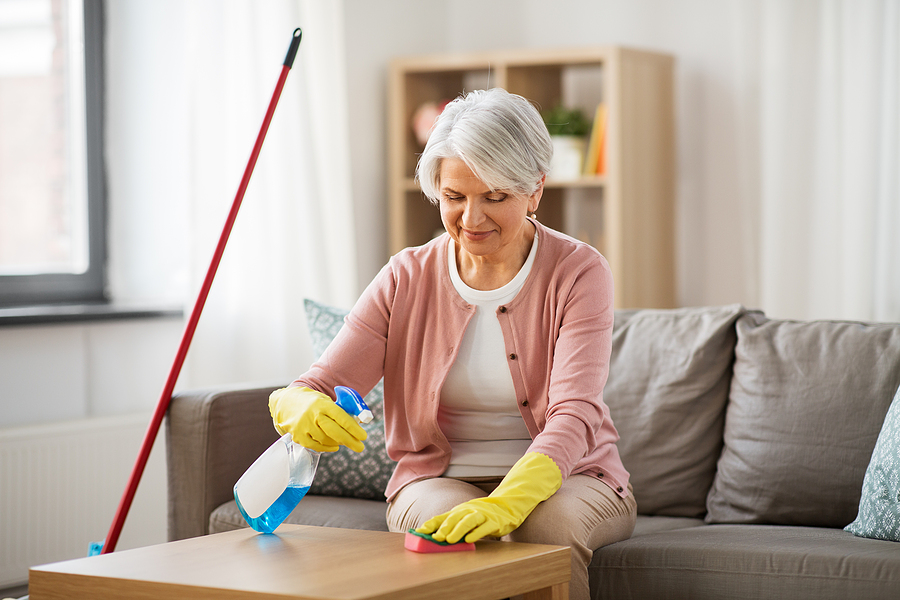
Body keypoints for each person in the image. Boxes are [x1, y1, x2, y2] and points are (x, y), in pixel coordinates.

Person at [269, 88, 636, 600]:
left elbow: (575, 413)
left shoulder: (579, 273)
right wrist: (296, 403)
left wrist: (510, 500)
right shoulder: (405, 276)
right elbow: (320, 383)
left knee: (543, 531)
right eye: (455, 198)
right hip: (436, 478)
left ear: (535, 191)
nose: (472, 219)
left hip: (573, 476)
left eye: (495, 197)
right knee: (442, 534)